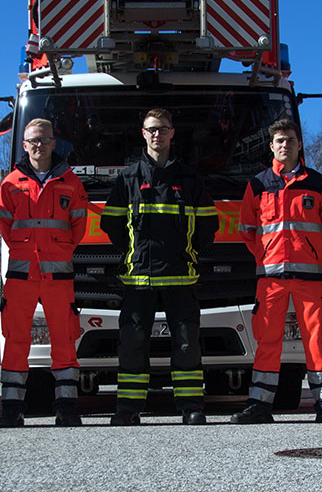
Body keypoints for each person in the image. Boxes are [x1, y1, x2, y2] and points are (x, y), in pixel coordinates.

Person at [100, 108, 218, 426]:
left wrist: (188, 253)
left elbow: (209, 226)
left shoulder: (190, 179)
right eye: (151, 129)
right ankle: (128, 408)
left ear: (172, 133)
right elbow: (110, 226)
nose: (157, 135)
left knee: (185, 342)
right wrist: (133, 255)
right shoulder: (127, 179)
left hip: (181, 276)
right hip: (139, 277)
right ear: (143, 133)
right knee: (133, 341)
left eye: (162, 129)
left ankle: (191, 407)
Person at [232, 119, 322, 425]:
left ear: (299, 145)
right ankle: (259, 405)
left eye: (291, 140)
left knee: (315, 341)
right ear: (271, 146)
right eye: (280, 140)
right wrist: (267, 256)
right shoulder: (257, 185)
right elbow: (247, 230)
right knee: (267, 341)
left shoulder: (318, 184)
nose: (285, 145)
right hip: (270, 279)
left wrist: (311, 252)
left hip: (309, 278)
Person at [0, 118, 90, 428]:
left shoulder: (71, 183)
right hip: (22, 276)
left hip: (58, 275)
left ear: (54, 143)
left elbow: (79, 228)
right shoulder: (9, 184)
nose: (39, 145)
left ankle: (66, 407)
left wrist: (56, 251)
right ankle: (11, 408)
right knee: (16, 339)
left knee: (64, 339)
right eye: (33, 140)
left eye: (44, 140)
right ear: (24, 145)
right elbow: (6, 229)